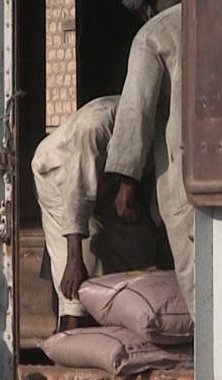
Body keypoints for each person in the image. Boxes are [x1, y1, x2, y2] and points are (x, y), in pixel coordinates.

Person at [105, 0, 196, 317]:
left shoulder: (153, 34)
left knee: (195, 278)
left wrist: (126, 183)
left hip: (184, 178)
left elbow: (135, 112)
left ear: (150, 1)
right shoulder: (219, 12)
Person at [31, 95, 159, 329]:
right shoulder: (93, 128)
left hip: (103, 182)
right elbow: (77, 192)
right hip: (58, 174)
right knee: (76, 285)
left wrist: (127, 187)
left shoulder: (153, 121)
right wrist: (74, 259)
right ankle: (71, 334)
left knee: (134, 256)